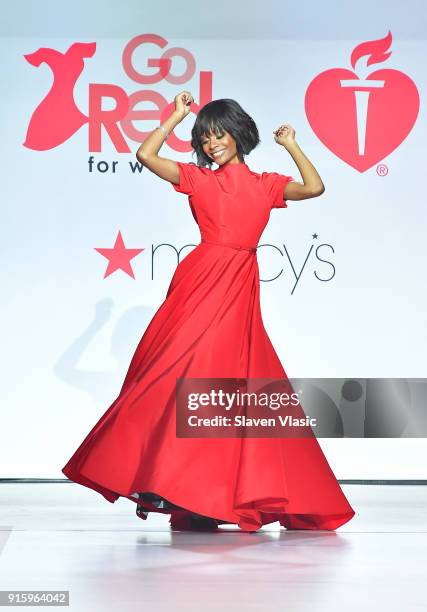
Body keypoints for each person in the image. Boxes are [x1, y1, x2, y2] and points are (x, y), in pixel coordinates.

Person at [62, 91, 355, 532]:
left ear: (238, 135)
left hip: (239, 281)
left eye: (218, 134)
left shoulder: (267, 184)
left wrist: (292, 144)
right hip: (200, 280)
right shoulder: (198, 179)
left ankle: (209, 494)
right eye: (204, 137)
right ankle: (166, 480)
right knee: (176, 374)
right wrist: (175, 118)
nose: (212, 143)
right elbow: (145, 153)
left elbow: (314, 187)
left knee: (230, 384)